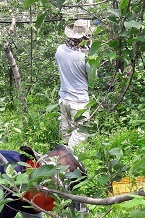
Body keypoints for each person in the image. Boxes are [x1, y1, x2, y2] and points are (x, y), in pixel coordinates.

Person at [55, 19, 94, 149]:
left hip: (64, 99)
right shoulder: (86, 57)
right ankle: (73, 161)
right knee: (80, 137)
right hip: (79, 102)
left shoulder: (60, 50)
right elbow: (92, 79)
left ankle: (62, 162)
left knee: (66, 134)